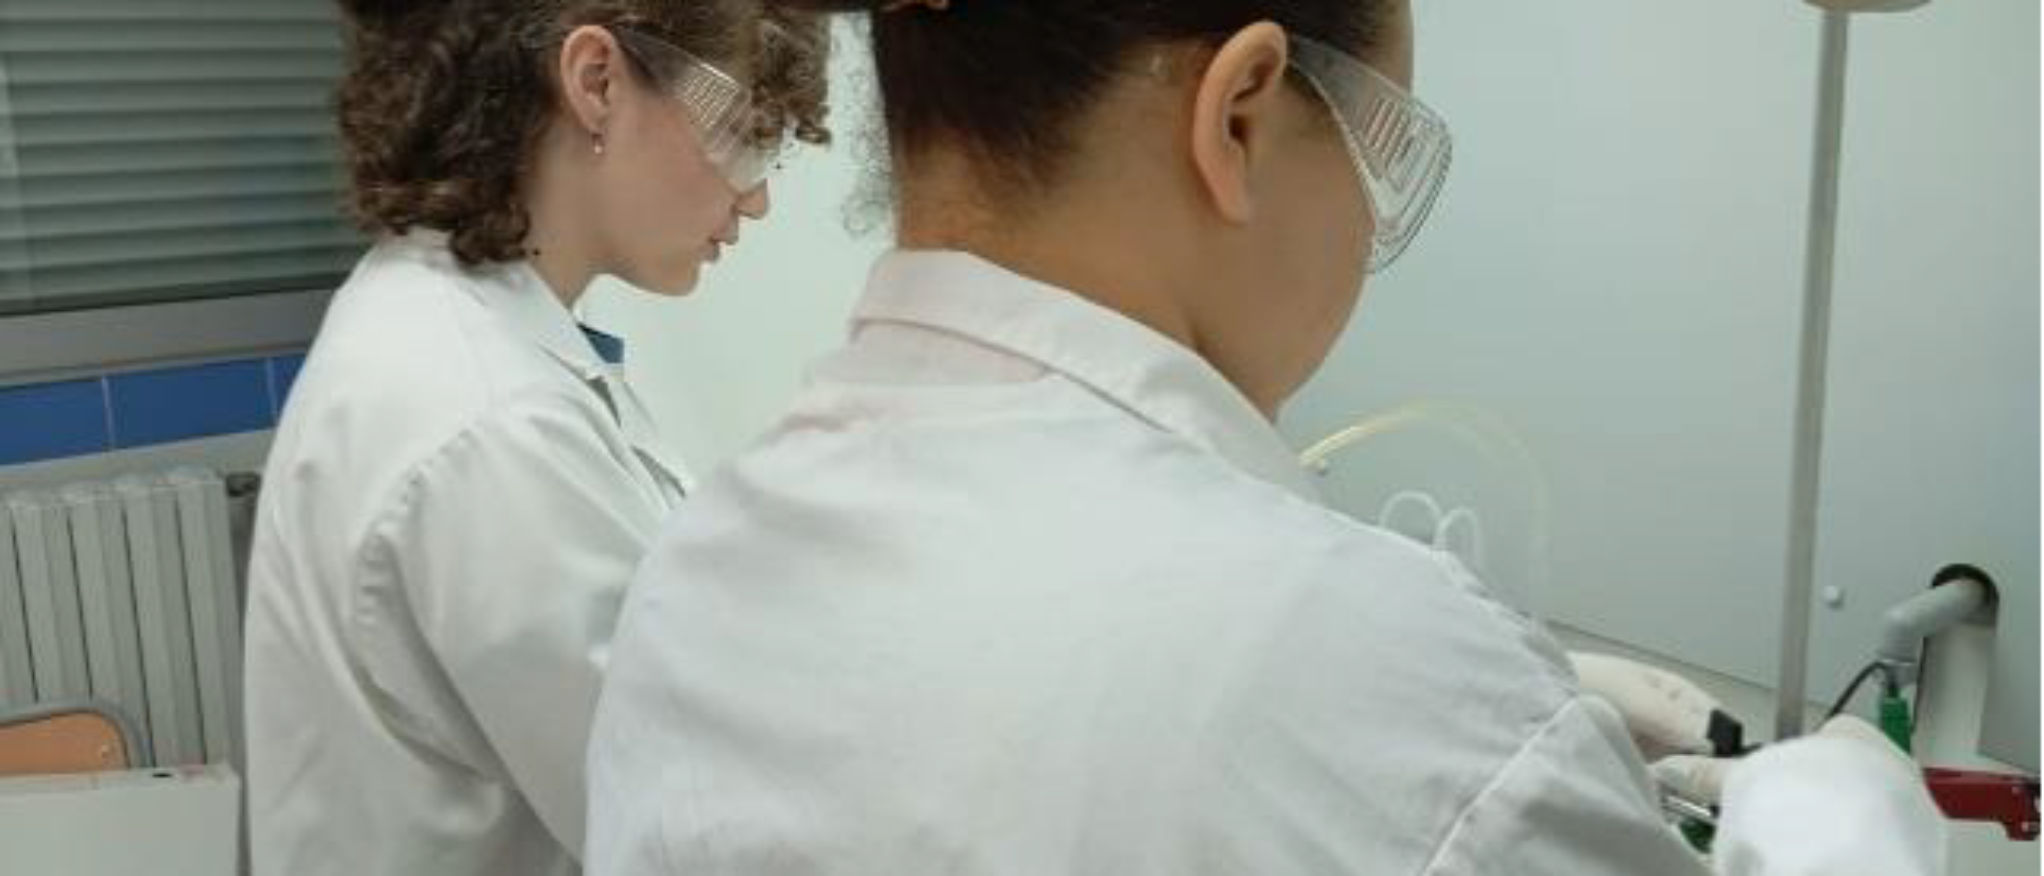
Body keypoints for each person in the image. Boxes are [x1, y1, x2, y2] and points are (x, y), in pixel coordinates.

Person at [585, 0, 1946, 873]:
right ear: (1238, 114)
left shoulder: (697, 580)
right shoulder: (1409, 710)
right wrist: (1852, 831)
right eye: (1378, 153)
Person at [241, 1, 830, 873]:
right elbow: (691, 830)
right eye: (745, 134)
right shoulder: (489, 424)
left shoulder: (447, 325)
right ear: (597, 82)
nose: (758, 196)